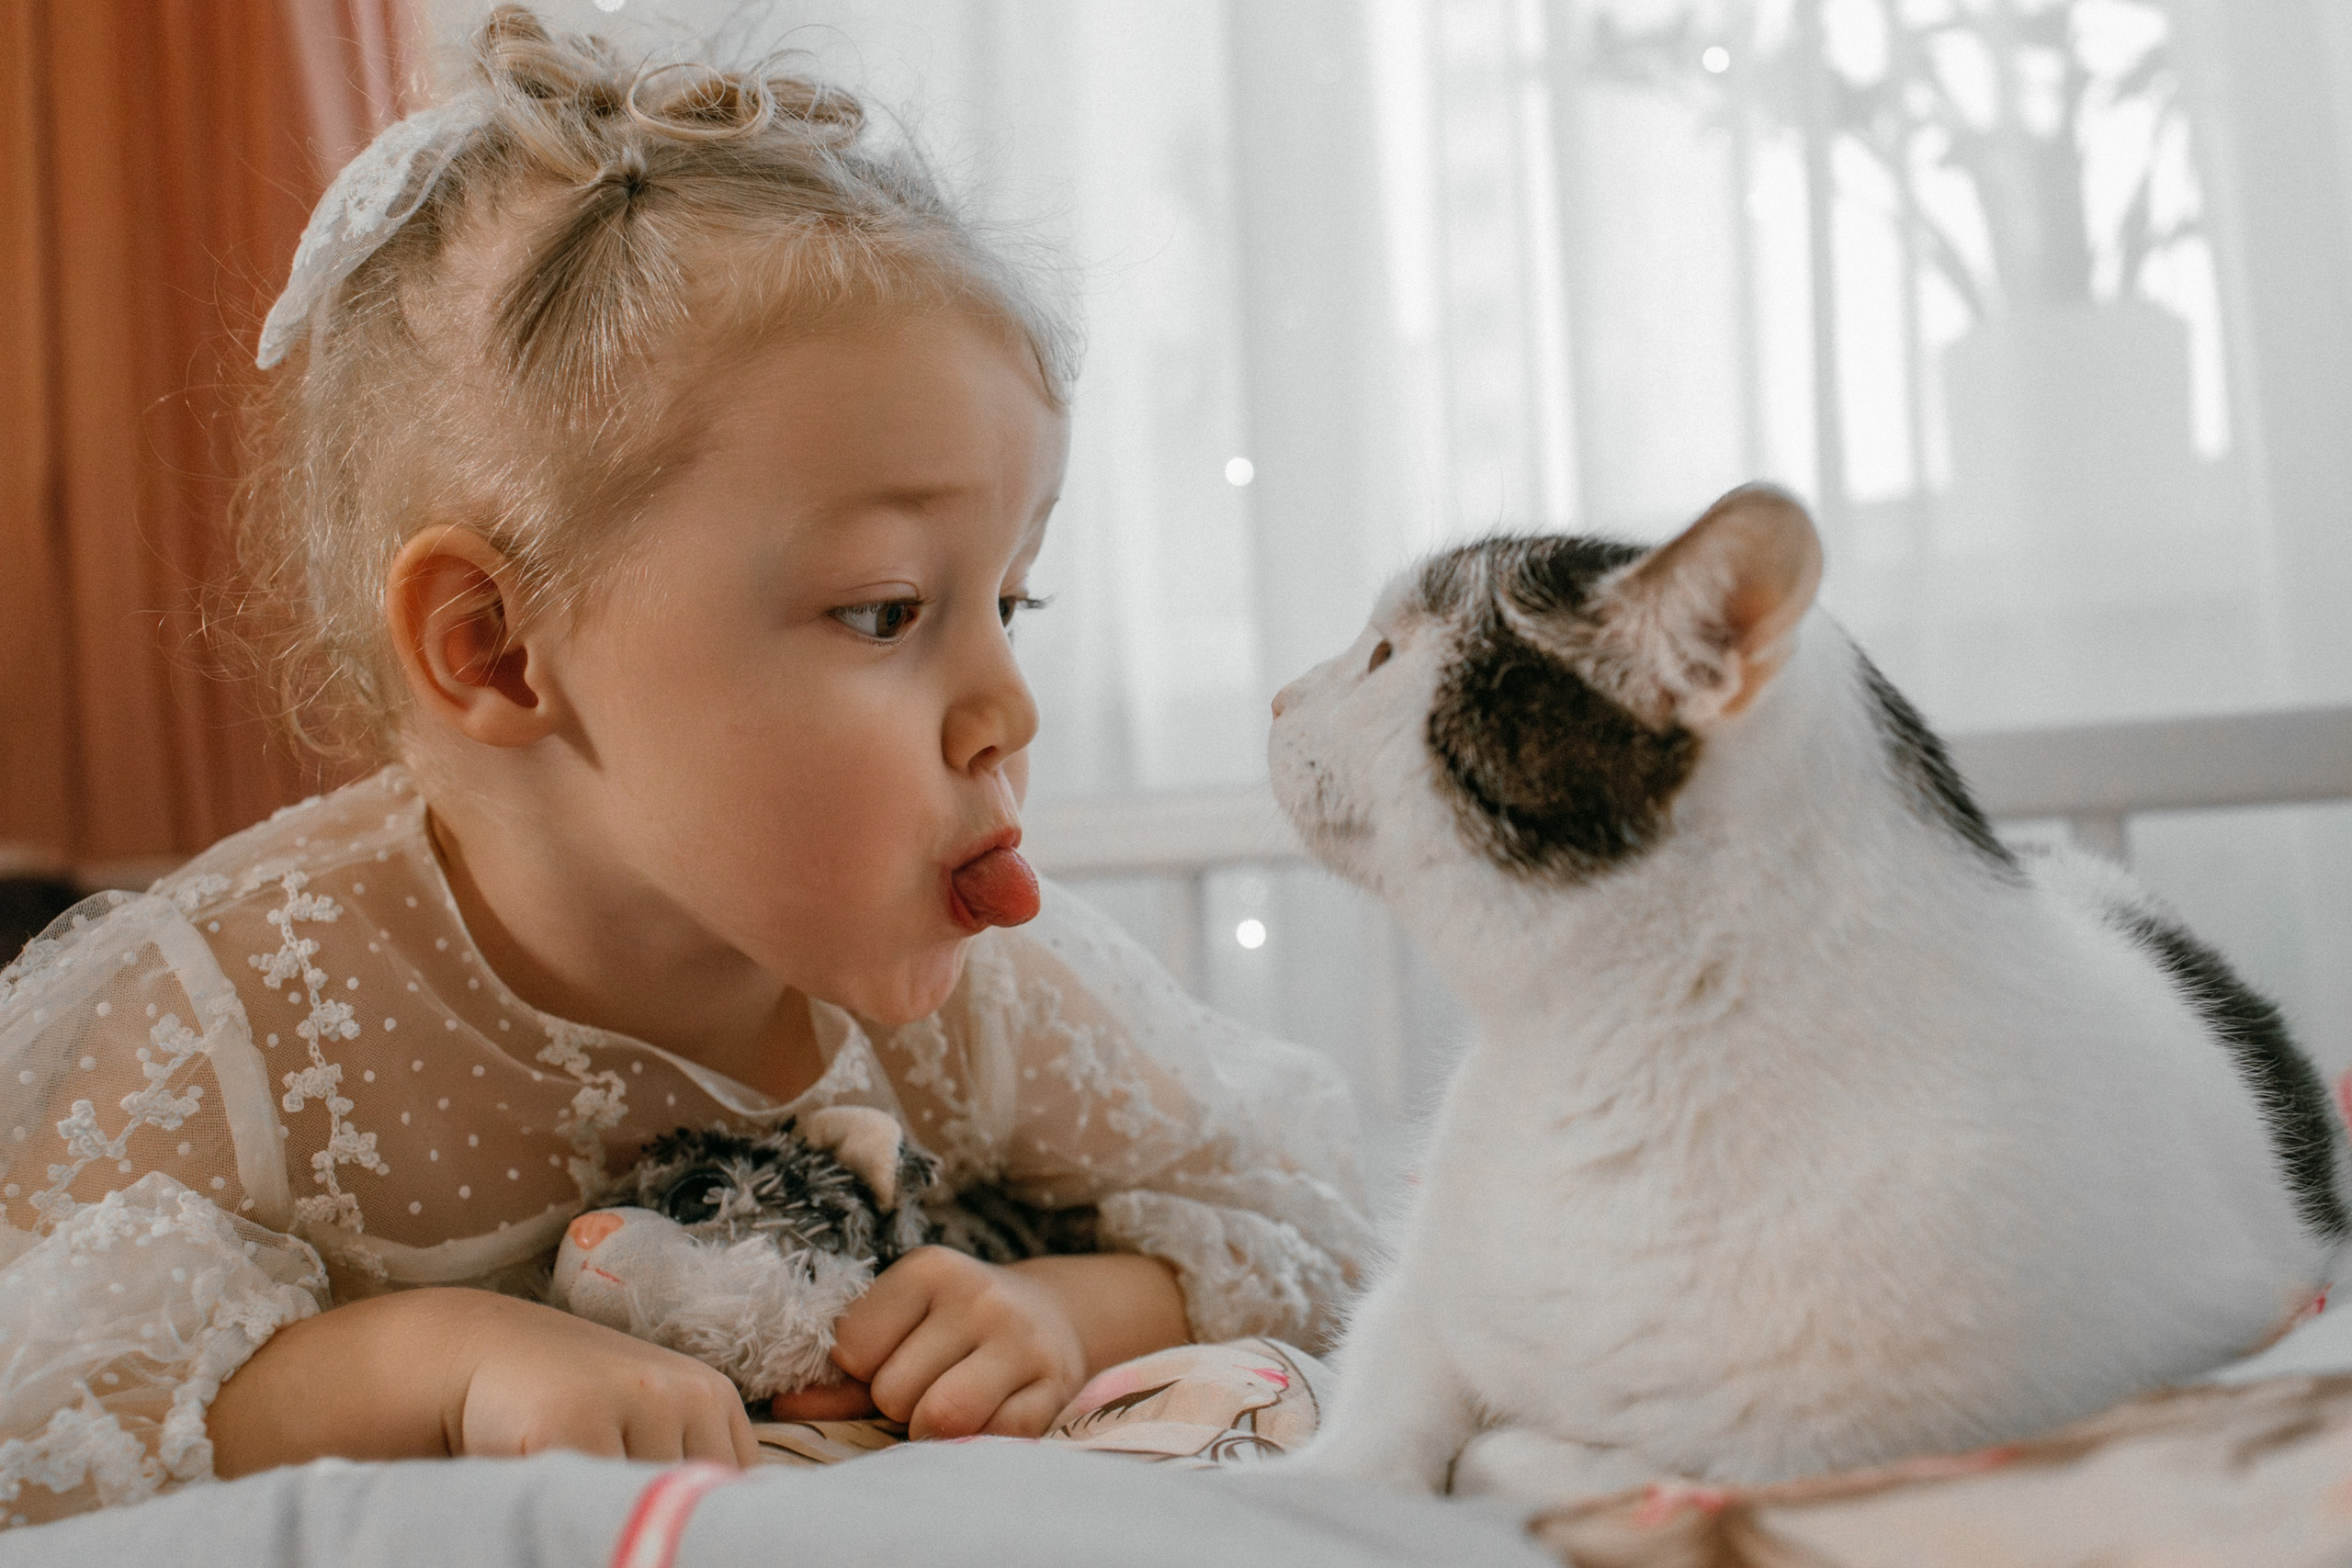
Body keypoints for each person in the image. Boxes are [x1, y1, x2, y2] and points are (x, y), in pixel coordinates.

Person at [0, 8, 1372, 1526]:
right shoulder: (239, 1019)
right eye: (885, 610)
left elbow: (1303, 1236)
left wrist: (1065, 1308)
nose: (1008, 705)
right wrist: (433, 1358)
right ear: (497, 649)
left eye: (1013, 600)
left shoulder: (981, 994)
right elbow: (64, 1427)